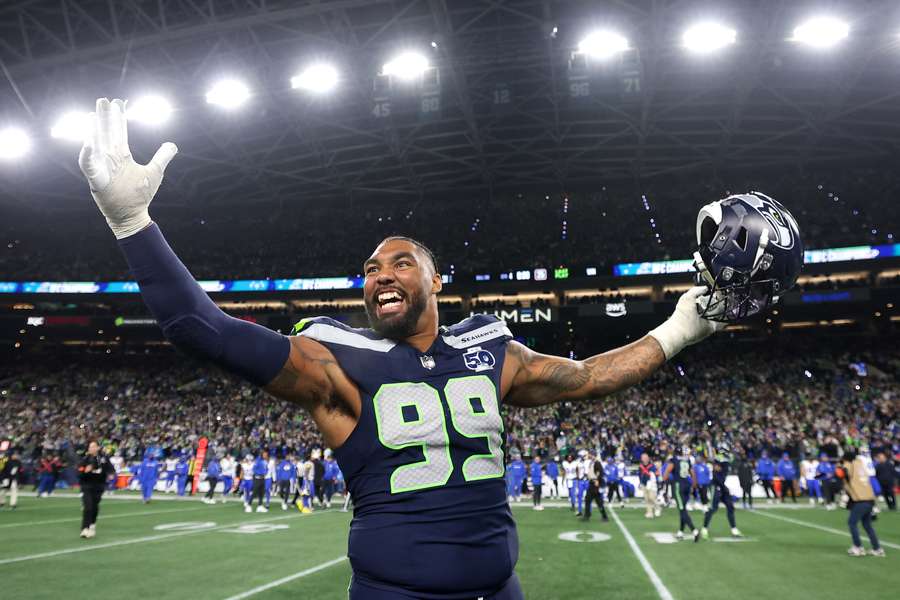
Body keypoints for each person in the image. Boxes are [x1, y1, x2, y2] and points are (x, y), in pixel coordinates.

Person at [76, 98, 726, 597]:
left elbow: (588, 377)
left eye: (400, 262)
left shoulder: (489, 348)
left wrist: (680, 328)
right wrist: (133, 224)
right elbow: (201, 327)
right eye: (369, 268)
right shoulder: (332, 360)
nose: (380, 273)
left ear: (437, 281)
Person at [841, 447, 885, 557]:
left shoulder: (848, 465)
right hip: (870, 499)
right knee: (867, 525)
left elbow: (843, 473)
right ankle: (877, 549)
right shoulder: (860, 464)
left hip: (861, 500)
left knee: (852, 523)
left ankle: (858, 547)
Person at [701, 444, 742, 539]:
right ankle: (704, 528)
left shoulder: (723, 461)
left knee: (730, 507)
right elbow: (716, 476)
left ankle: (734, 529)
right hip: (716, 486)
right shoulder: (719, 461)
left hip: (722, 486)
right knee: (713, 508)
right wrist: (723, 487)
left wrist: (724, 487)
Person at [78, 440, 115, 538]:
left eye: (94, 447)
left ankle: (92, 524)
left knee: (95, 506)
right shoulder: (85, 458)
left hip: (99, 485)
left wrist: (111, 474)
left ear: (98, 448)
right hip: (87, 485)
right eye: (90, 447)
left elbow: (110, 468)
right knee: (88, 506)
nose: (92, 449)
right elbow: (79, 471)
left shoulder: (103, 458)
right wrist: (85, 470)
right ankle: (85, 528)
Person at [663, 446, 700, 542]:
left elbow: (667, 471)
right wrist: (694, 485)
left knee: (682, 510)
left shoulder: (674, 460)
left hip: (678, 486)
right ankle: (681, 531)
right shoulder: (687, 460)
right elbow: (693, 473)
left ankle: (694, 530)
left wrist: (665, 480)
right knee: (682, 509)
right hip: (687, 485)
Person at [581, 453, 607, 522]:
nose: (590, 456)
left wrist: (597, 480)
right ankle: (589, 515)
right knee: (590, 500)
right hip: (592, 483)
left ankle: (588, 516)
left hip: (594, 483)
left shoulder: (597, 463)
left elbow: (599, 472)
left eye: (591, 455)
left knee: (593, 501)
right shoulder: (592, 463)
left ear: (594, 456)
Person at [638, 452, 659, 518]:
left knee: (651, 497)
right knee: (647, 499)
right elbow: (640, 475)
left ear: (648, 458)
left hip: (651, 484)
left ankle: (657, 507)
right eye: (643, 458)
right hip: (644, 484)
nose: (644, 459)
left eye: (645, 457)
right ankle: (649, 512)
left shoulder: (652, 466)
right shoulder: (640, 466)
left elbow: (656, 474)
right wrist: (640, 483)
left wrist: (654, 481)